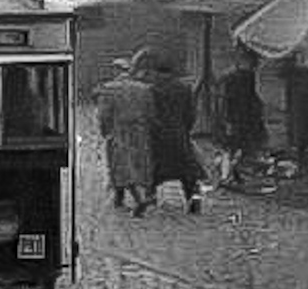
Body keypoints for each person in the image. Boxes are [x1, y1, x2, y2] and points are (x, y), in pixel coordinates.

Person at [139, 48, 205, 214]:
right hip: (179, 133)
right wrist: (185, 128)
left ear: (157, 71)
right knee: (187, 169)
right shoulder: (184, 89)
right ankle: (194, 199)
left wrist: (151, 130)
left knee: (156, 169)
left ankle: (147, 200)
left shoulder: (152, 91)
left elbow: (149, 114)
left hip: (159, 135)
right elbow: (191, 113)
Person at [95, 60, 156, 217]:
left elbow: (103, 115)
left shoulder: (109, 89)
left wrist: (105, 131)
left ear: (116, 71)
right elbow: (151, 112)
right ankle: (119, 197)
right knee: (138, 164)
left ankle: (139, 199)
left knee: (121, 165)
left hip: (119, 130)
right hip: (140, 131)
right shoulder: (144, 89)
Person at [217, 46, 270, 190]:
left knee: (236, 149)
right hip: (240, 118)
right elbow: (231, 100)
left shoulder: (239, 76)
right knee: (234, 148)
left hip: (242, 118)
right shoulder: (240, 77)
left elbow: (252, 99)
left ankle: (232, 176)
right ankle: (228, 177)